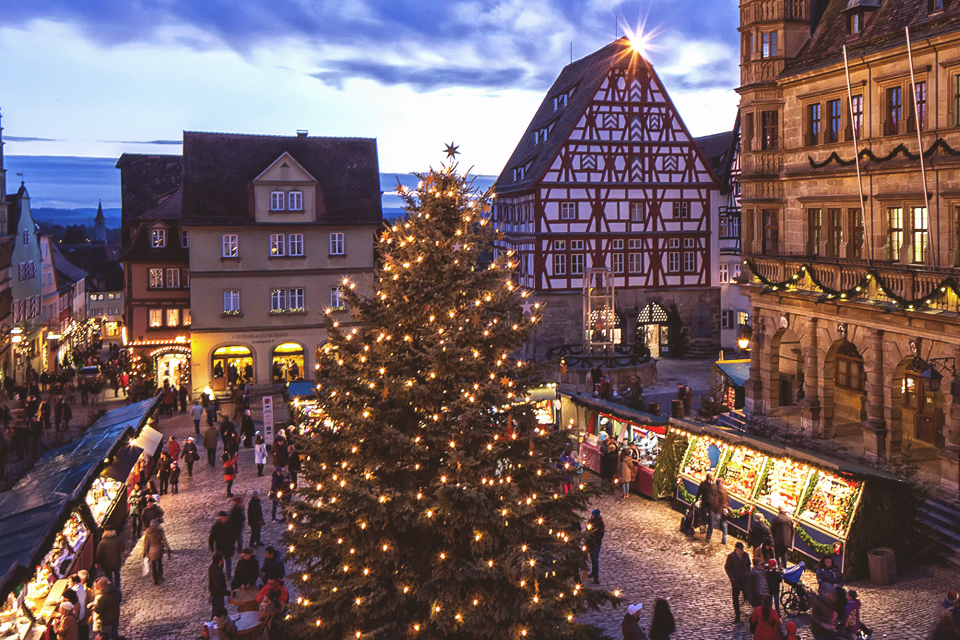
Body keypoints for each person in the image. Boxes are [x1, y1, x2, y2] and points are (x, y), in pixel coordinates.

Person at [725, 541, 752, 622]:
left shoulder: (746, 556)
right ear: (736, 549)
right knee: (735, 598)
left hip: (744, 580)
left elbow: (748, 565)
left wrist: (747, 574)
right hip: (736, 581)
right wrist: (731, 577)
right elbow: (727, 568)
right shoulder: (731, 557)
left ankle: (752, 611)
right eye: (740, 549)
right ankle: (737, 614)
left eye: (742, 549)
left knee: (748, 596)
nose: (742, 551)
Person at [142, 519, 171, 585]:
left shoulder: (148, 532)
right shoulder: (160, 531)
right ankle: (160, 576)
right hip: (159, 550)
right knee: (159, 563)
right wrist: (167, 547)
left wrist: (144, 552)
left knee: (154, 566)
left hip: (151, 552)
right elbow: (164, 540)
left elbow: (146, 544)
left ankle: (155, 580)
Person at [209, 511, 237, 578]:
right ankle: (220, 574)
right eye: (224, 517)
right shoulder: (216, 527)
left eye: (226, 517)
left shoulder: (230, 524)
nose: (225, 518)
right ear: (220, 518)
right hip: (220, 547)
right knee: (220, 562)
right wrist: (211, 547)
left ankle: (228, 575)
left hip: (228, 546)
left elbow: (234, 534)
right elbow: (212, 537)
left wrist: (232, 542)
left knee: (228, 561)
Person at [695, 472, 718, 541]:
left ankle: (704, 527)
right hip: (709, 505)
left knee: (704, 516)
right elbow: (715, 494)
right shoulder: (713, 485)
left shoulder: (704, 484)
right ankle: (708, 534)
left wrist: (697, 499)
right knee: (710, 520)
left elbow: (699, 492)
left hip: (707, 504)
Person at [586, 508, 604, 584]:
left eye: (593, 515)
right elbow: (587, 530)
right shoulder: (590, 522)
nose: (591, 516)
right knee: (592, 558)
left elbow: (601, 535)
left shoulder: (600, 524)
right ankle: (593, 573)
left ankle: (596, 577)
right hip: (590, 543)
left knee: (595, 559)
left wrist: (594, 537)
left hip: (596, 544)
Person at [208, 553, 229, 618]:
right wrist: (229, 593)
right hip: (218, 596)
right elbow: (219, 588)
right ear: (220, 561)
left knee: (215, 612)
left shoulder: (213, 567)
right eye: (222, 558)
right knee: (217, 614)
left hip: (215, 595)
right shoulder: (217, 573)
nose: (223, 560)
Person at [68, 575, 87, 640]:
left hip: (77, 614)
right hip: (82, 613)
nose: (68, 584)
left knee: (79, 633)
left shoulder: (74, 591)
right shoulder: (80, 586)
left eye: (69, 582)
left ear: (75, 582)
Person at [714, 477, 731, 545]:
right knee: (724, 524)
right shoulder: (726, 492)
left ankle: (711, 535)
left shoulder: (718, 493)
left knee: (715, 522)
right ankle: (724, 539)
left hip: (719, 510)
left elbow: (716, 502)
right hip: (724, 510)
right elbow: (728, 500)